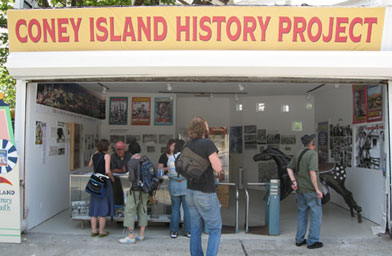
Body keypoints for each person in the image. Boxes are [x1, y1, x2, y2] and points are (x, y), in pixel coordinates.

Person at [185, 117, 223, 256]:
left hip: (190, 191)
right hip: (205, 192)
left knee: (195, 229)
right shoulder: (207, 144)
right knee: (215, 229)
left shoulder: (188, 144)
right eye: (207, 126)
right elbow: (217, 168)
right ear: (203, 129)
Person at [286, 134, 323, 249]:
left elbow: (289, 168)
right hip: (311, 190)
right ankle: (312, 241)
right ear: (312, 143)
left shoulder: (298, 153)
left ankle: (299, 239)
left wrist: (294, 182)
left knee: (302, 213)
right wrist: (317, 189)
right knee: (316, 215)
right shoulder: (313, 154)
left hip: (300, 190)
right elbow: (313, 172)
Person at [119, 142, 150, 244]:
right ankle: (141, 235)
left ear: (130, 151)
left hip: (136, 190)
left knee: (130, 211)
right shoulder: (146, 159)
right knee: (143, 210)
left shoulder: (131, 162)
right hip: (145, 189)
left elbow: (132, 178)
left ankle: (131, 236)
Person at [88, 139, 115, 238]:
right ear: (106, 147)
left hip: (95, 181)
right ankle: (102, 231)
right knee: (103, 206)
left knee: (94, 206)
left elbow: (90, 165)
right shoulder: (107, 156)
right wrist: (112, 179)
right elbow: (107, 170)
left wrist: (95, 153)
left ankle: (94, 230)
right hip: (104, 182)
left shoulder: (94, 155)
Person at [167, 139, 191, 239]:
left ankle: (174, 232)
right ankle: (188, 231)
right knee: (187, 210)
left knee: (175, 209)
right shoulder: (187, 158)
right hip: (185, 185)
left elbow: (169, 174)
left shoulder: (170, 158)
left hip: (174, 185)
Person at [110, 141, 131, 208]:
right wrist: (121, 170)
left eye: (121, 149)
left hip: (127, 181)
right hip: (116, 181)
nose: (119, 151)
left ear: (124, 149)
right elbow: (113, 170)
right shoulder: (113, 157)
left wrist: (119, 170)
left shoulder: (128, 155)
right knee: (116, 197)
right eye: (117, 150)